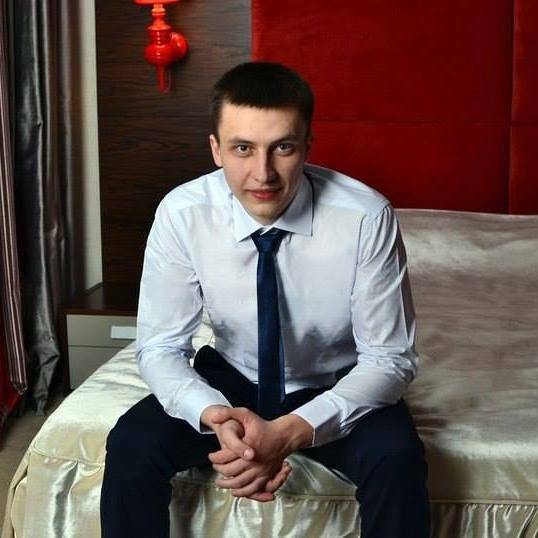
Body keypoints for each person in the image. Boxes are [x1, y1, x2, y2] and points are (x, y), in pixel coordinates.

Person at [100, 61, 430, 537]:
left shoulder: (365, 216)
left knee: (397, 459)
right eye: (242, 148)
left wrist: (290, 431)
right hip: (232, 377)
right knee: (131, 444)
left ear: (307, 145)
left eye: (283, 147)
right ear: (216, 149)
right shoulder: (183, 213)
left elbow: (389, 359)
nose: (263, 174)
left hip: (334, 379)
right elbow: (160, 347)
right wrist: (213, 415)